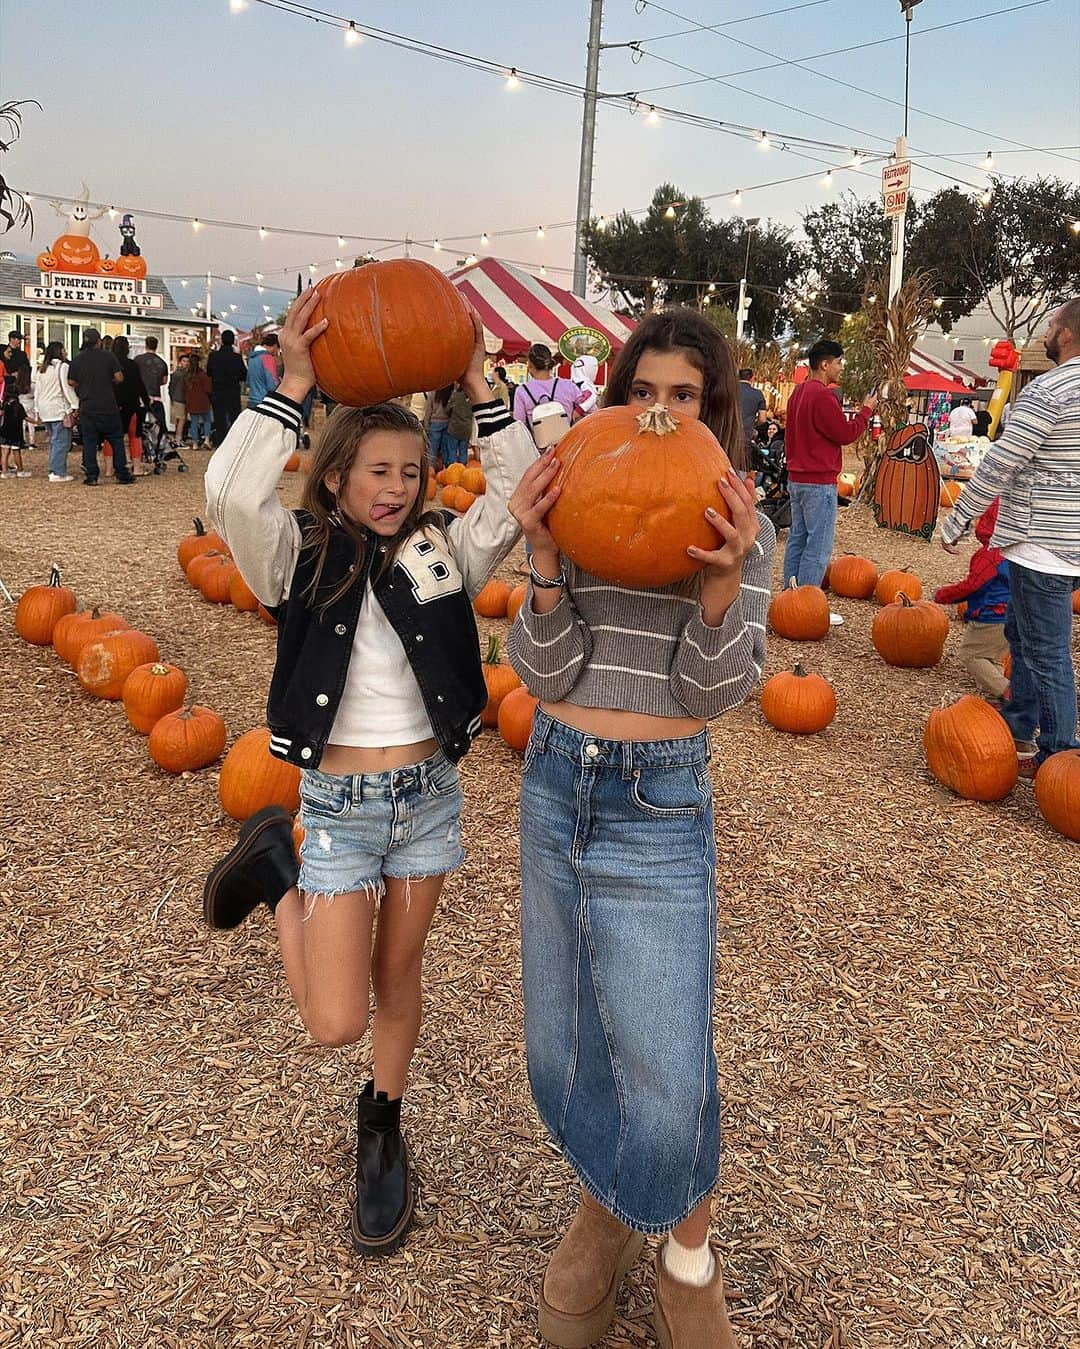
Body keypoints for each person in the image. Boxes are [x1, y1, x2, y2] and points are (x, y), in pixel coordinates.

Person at [200, 290, 537, 1257]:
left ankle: (382, 1124)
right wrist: (292, 387)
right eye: (377, 470)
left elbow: (519, 500)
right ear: (337, 471)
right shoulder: (294, 554)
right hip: (340, 809)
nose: (395, 487)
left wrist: (481, 385)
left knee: (400, 975)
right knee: (332, 1019)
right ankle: (279, 871)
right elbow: (229, 495)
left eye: (411, 471)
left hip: (426, 798)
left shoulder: (442, 551)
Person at [505, 308, 774, 1349]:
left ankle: (684, 1262)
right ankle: (605, 1213)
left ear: (717, 413)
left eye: (687, 397)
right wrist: (539, 551)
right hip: (554, 777)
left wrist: (716, 591)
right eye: (644, 392)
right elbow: (542, 672)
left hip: (660, 795)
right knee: (564, 1045)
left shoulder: (742, 525)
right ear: (620, 397)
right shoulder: (573, 497)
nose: (661, 415)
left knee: (663, 1059)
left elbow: (710, 695)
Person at [941, 297, 1080, 779]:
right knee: (1024, 638)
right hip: (1068, 546)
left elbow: (1002, 462)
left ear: (1065, 336)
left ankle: (1061, 754)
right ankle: (1020, 727)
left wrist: (960, 518)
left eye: (1050, 324)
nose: (1044, 330)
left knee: (1046, 651)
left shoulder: (1050, 392)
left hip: (1039, 542)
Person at [783, 340, 877, 611]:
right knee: (818, 546)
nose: (840, 368)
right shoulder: (823, 396)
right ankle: (804, 606)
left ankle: (787, 597)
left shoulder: (797, 394)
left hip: (797, 477)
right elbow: (844, 434)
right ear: (824, 364)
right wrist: (866, 411)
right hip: (818, 480)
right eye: (838, 362)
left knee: (798, 539)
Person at [934, 500, 1010, 704]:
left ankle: (1008, 693)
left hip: (991, 616)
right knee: (992, 657)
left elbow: (973, 585)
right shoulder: (1016, 554)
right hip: (1013, 614)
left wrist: (944, 595)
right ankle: (997, 695)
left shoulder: (989, 556)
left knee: (971, 655)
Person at [67, 329, 133, 486]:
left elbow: (71, 381)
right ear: (99, 342)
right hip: (107, 405)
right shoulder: (108, 356)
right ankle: (122, 473)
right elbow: (119, 377)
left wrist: (82, 385)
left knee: (89, 441)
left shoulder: (77, 359)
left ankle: (92, 476)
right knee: (116, 439)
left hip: (88, 406)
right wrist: (109, 381)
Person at [513, 343, 583, 444]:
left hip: (539, 453)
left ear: (530, 365)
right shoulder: (569, 386)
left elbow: (519, 426)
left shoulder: (522, 391)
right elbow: (591, 410)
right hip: (567, 448)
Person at [32, 341, 78, 482]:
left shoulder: (42, 369)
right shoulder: (63, 367)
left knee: (54, 441)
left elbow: (37, 390)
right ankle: (58, 472)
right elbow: (66, 388)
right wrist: (75, 403)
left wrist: (37, 409)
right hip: (58, 408)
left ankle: (54, 469)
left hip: (45, 408)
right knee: (61, 441)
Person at [111, 337, 152, 475]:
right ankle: (137, 467)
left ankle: (109, 469)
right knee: (135, 436)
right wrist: (146, 401)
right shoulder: (132, 364)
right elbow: (139, 384)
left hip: (113, 405)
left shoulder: (109, 363)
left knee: (111, 437)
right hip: (131, 404)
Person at [207, 331, 248, 445]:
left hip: (218, 390)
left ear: (221, 340)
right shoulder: (237, 358)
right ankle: (234, 442)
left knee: (219, 418)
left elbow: (209, 372)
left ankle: (220, 441)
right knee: (234, 417)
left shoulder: (213, 356)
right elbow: (244, 375)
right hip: (233, 391)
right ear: (233, 341)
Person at [134, 335, 170, 447]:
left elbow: (134, 377)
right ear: (156, 346)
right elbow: (164, 381)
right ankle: (158, 445)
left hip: (140, 397)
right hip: (155, 396)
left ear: (145, 345)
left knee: (138, 426)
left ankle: (140, 447)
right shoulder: (162, 362)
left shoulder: (138, 360)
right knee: (159, 424)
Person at [184, 354, 213, 448]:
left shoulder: (187, 375)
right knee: (207, 420)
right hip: (203, 401)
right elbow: (208, 389)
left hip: (191, 402)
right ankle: (207, 439)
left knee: (194, 422)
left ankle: (195, 443)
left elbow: (183, 390)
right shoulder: (203, 375)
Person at [0, 387, 31, 476]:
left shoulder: (4, 405)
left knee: (5, 453)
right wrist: (36, 421)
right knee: (16, 452)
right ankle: (20, 470)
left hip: (4, 432)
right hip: (16, 432)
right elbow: (25, 417)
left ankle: (4, 472)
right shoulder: (18, 406)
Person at [246, 330, 281, 408]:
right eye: (278, 348)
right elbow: (272, 385)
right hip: (264, 402)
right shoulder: (268, 358)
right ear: (275, 345)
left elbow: (248, 382)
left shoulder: (252, 358)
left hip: (252, 400)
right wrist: (279, 382)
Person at [444, 382, 473, 467]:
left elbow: (447, 409)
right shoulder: (471, 397)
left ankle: (454, 469)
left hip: (454, 427)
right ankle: (463, 469)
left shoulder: (456, 395)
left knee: (452, 450)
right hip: (467, 427)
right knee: (463, 451)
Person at [737, 366, 767, 452]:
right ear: (752, 378)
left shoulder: (730, 391)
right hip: (745, 436)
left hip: (726, 436)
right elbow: (762, 419)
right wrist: (753, 425)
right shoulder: (758, 394)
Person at [423, 385, 453, 468]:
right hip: (447, 422)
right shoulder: (451, 392)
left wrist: (426, 425)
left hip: (435, 422)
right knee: (445, 447)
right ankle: (446, 468)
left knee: (433, 448)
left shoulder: (433, 392)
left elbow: (428, 409)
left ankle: (431, 468)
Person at [169, 355, 189, 445]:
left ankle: (177, 437)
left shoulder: (181, 373)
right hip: (179, 399)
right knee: (181, 420)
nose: (186, 363)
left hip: (179, 398)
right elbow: (171, 386)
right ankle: (178, 439)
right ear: (180, 362)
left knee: (179, 420)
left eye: (187, 361)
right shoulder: (178, 374)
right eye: (184, 361)